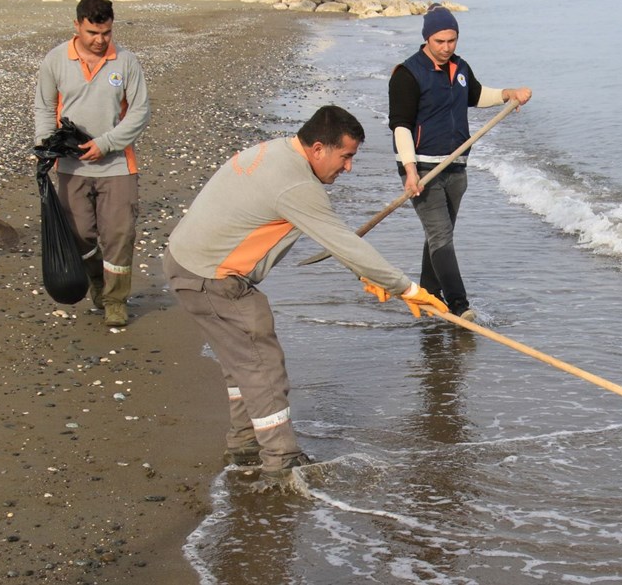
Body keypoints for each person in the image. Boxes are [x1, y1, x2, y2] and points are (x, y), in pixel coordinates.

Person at [163, 105, 447, 487]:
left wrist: (368, 275)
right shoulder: (296, 184)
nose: (348, 168)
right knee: (261, 363)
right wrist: (407, 288)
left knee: (240, 361)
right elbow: (342, 241)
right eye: (346, 156)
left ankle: (245, 443)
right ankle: (281, 460)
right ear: (317, 148)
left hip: (187, 262)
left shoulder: (277, 150)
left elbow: (342, 247)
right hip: (211, 277)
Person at [388, 3, 532, 321]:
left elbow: (477, 96)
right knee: (441, 235)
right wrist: (410, 171)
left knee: (439, 234)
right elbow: (400, 125)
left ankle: (428, 293)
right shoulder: (408, 74)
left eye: (452, 40)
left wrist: (508, 93)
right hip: (424, 168)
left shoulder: (460, 68)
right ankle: (459, 306)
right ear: (427, 39)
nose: (446, 47)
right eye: (440, 41)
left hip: (456, 166)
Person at [33, 0, 151, 327]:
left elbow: (140, 112)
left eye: (106, 34)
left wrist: (106, 143)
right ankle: (98, 282)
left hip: (117, 166)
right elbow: (44, 106)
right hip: (70, 167)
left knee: (119, 234)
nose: (100, 41)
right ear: (77, 27)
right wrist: (44, 143)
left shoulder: (126, 62)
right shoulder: (55, 60)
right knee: (78, 234)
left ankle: (115, 300)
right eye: (92, 34)